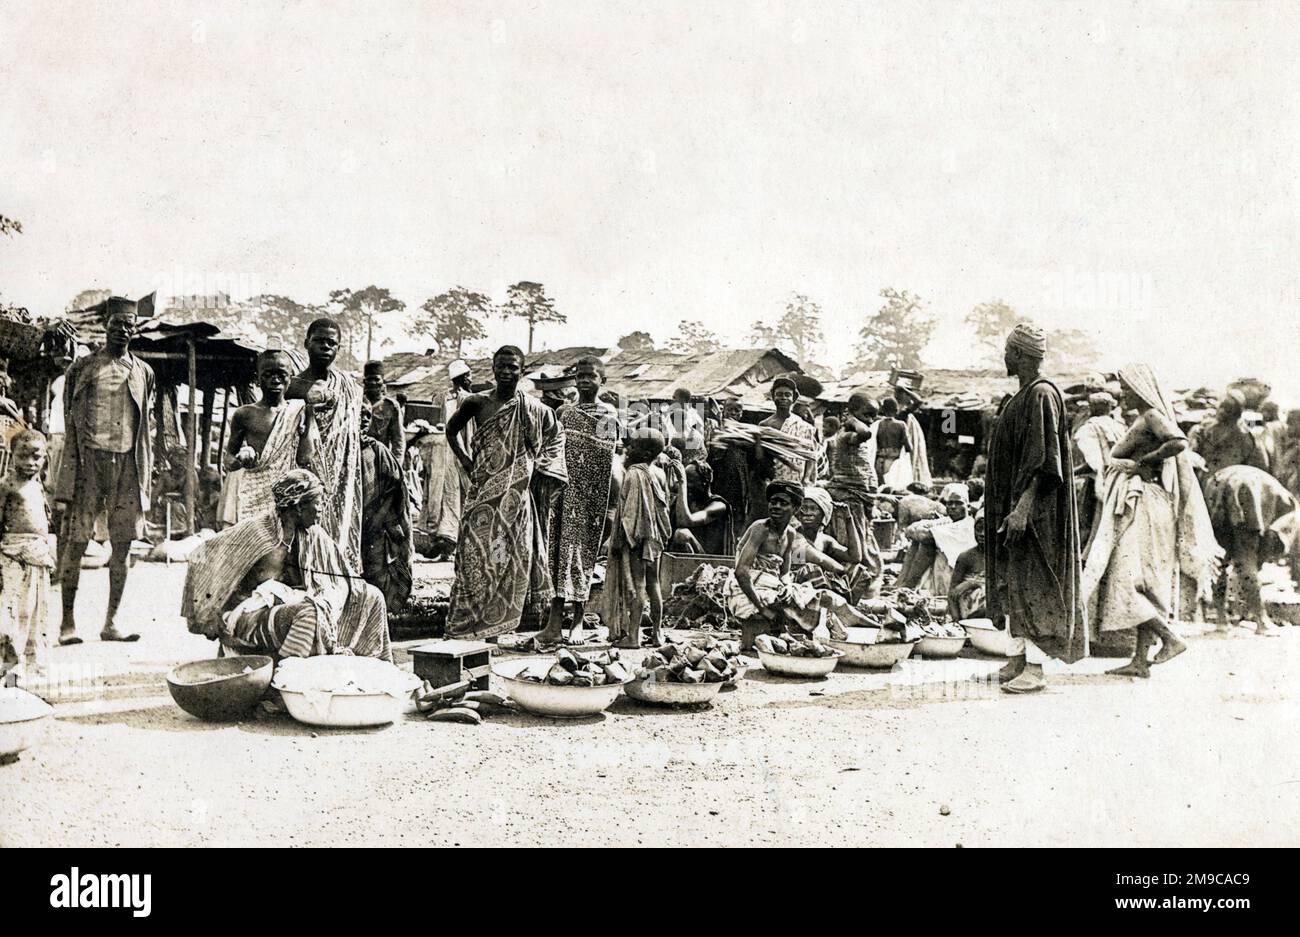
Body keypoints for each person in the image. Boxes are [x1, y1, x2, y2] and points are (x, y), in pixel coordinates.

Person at [1081, 364, 1221, 677]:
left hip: (1144, 503)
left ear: (1141, 389)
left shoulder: (1152, 416)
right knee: (1145, 581)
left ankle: (1170, 638)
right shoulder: (1141, 419)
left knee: (1126, 578)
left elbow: (1178, 442)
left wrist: (1143, 463)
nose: (1124, 395)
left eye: (1128, 390)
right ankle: (1140, 661)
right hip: (1144, 501)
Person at [181, 469, 392, 661]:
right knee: (310, 614)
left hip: (291, 605)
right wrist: (209, 615)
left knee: (372, 597)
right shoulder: (256, 532)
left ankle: (376, 672)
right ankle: (283, 680)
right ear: (299, 507)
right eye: (317, 502)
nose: (321, 509)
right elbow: (203, 555)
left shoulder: (313, 535)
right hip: (248, 613)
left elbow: (342, 576)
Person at [984, 322, 1086, 694]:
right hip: (1012, 506)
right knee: (1014, 581)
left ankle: (1037, 668)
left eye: (1009, 351)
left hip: (1035, 512)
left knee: (1034, 582)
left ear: (1021, 355)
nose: (1005, 357)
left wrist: (1023, 508)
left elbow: (1045, 461)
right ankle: (1017, 659)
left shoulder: (1041, 395)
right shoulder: (1020, 395)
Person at [444, 346, 567, 640]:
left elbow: (556, 437)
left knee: (507, 559)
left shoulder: (534, 409)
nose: (507, 372)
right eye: (501, 366)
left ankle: (493, 632)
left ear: (522, 370)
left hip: (516, 500)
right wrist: (466, 461)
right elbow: (451, 430)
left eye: (513, 367)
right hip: (481, 496)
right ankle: (463, 628)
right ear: (493, 368)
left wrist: (540, 469)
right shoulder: (476, 402)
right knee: (474, 555)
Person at [55, 302, 154, 644]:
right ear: (105, 325)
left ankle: (111, 622)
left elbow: (143, 425)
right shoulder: (83, 367)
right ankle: (67, 623)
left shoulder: (143, 371)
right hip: (88, 463)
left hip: (126, 464)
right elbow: (70, 419)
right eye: (116, 323)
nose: (122, 329)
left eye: (129, 324)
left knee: (122, 545)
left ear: (135, 330)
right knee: (76, 541)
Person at [539, 357, 620, 647]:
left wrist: (609, 507)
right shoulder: (564, 413)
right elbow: (554, 451)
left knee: (581, 558)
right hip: (563, 495)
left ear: (602, 381)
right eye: (581, 375)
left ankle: (577, 624)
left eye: (591, 376)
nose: (585, 380)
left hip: (591, 498)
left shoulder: (607, 415)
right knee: (557, 557)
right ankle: (552, 625)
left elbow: (607, 462)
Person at [286, 318, 363, 574]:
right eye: (319, 341)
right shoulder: (290, 387)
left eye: (332, 343)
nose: (326, 347)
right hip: (303, 470)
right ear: (307, 343)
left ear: (338, 349)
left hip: (341, 477)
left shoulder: (348, 386)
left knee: (337, 532)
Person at [220, 350, 318, 527]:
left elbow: (305, 458)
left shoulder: (298, 411)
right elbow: (228, 459)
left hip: (286, 492)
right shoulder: (244, 414)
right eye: (268, 375)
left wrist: (309, 418)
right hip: (253, 491)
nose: (275, 380)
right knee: (254, 545)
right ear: (258, 378)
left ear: (291, 377)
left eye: (281, 375)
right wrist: (241, 459)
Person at [1203, 464, 1298, 635]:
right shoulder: (1292, 511)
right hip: (1246, 491)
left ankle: (1221, 619)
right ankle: (1262, 621)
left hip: (1218, 483)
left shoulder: (1283, 500)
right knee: (1246, 557)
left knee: (1220, 558)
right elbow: (1277, 537)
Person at [602, 430, 673, 648]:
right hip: (656, 538)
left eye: (633, 446)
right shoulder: (659, 473)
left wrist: (620, 540)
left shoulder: (633, 473)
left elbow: (630, 513)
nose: (627, 449)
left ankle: (633, 637)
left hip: (638, 537)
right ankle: (657, 632)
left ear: (646, 452)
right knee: (654, 584)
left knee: (639, 585)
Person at [0, 431, 55, 684]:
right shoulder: (6, 486)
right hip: (13, 558)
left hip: (37, 559)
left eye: (37, 456)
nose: (30, 462)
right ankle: (9, 674)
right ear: (12, 456)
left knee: (35, 615)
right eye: (23, 456)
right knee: (13, 616)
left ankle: (29, 673)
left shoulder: (38, 485)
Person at [358, 401, 412, 612]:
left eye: (367, 416)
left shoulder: (377, 450)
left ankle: (382, 614)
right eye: (359, 414)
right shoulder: (341, 450)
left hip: (377, 522)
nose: (363, 419)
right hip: (353, 522)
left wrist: (379, 517)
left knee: (377, 569)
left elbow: (394, 486)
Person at [823, 392, 881, 580]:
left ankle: (864, 575)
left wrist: (857, 419)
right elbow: (866, 432)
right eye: (867, 414)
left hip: (862, 493)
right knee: (854, 535)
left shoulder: (851, 434)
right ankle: (855, 576)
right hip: (849, 493)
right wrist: (852, 420)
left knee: (863, 531)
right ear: (851, 412)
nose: (871, 420)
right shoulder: (846, 435)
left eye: (874, 415)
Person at [430, 359, 476, 559]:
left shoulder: (441, 398)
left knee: (451, 495)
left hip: (446, 453)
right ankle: (450, 540)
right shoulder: (470, 399)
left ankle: (451, 541)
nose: (471, 379)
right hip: (459, 452)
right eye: (469, 376)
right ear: (465, 378)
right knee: (456, 496)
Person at [896, 483, 976, 593]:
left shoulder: (966, 524)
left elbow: (924, 536)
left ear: (968, 507)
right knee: (917, 543)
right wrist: (915, 530)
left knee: (927, 544)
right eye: (950, 503)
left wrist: (915, 531)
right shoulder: (949, 521)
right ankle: (902, 583)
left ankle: (908, 585)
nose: (953, 507)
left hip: (957, 573)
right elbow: (912, 529)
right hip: (944, 569)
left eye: (958, 503)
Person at [1073, 391, 1126, 552]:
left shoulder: (1090, 427)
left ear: (1092, 407)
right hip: (1118, 479)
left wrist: (1073, 472)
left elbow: (1094, 463)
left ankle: (1086, 556)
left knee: (1088, 522)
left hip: (1098, 481)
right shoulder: (1118, 426)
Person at [707, 398, 756, 541]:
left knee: (738, 520)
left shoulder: (746, 434)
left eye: (737, 410)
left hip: (740, 486)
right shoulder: (715, 431)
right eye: (730, 409)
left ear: (741, 414)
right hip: (719, 483)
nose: (733, 413)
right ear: (723, 411)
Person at [1189, 390, 1267, 479]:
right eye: (1221, 406)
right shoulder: (1204, 431)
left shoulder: (1246, 438)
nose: (1222, 411)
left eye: (1228, 408)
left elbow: (1259, 468)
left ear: (1237, 412)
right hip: (1206, 482)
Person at [758, 377, 817, 485]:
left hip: (798, 481)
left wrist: (807, 478)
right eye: (779, 394)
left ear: (793, 398)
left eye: (787, 395)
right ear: (773, 396)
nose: (783, 398)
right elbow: (761, 458)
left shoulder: (803, 425)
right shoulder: (765, 425)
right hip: (774, 481)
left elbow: (811, 455)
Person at [669, 461, 731, 555]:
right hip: (683, 556)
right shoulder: (685, 500)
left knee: (682, 534)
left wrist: (682, 482)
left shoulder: (718, 505)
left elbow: (684, 521)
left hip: (708, 559)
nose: (687, 487)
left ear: (704, 483)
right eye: (686, 481)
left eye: (690, 481)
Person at [948, 510, 987, 621]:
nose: (982, 534)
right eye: (978, 529)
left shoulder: (1002, 557)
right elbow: (952, 594)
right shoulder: (966, 557)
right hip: (967, 613)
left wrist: (973, 583)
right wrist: (957, 622)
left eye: (986, 530)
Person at [362, 360, 405, 461]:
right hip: (358, 460)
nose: (373, 383)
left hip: (380, 459)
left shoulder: (391, 406)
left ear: (382, 382)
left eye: (376, 379)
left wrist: (396, 465)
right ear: (364, 381)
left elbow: (398, 440)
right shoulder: (356, 402)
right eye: (369, 379)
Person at [895, 385, 932, 488]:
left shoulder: (901, 413)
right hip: (903, 445)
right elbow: (918, 401)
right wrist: (905, 390)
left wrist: (905, 390)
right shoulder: (901, 414)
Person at [870, 397, 913, 484]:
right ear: (896, 410)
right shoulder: (901, 425)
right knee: (893, 488)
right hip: (893, 461)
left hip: (878, 461)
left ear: (883, 409)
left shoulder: (876, 424)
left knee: (880, 488)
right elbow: (909, 448)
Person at [666, 387, 707, 463]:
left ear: (684, 400)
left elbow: (699, 440)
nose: (672, 400)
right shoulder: (670, 415)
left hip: (690, 457)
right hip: (672, 456)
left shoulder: (694, 417)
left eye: (675, 397)